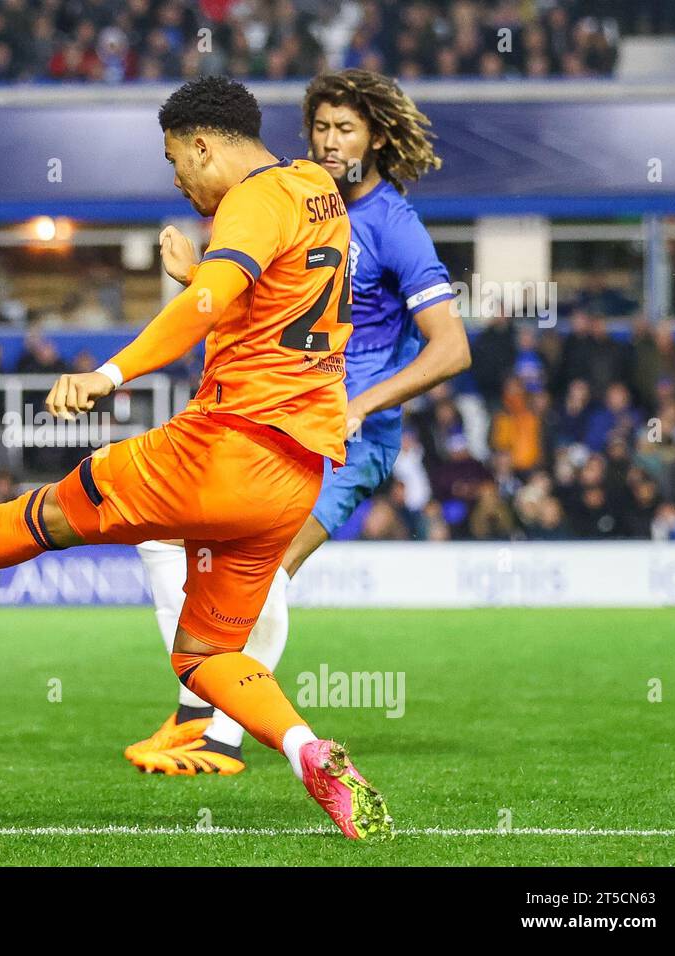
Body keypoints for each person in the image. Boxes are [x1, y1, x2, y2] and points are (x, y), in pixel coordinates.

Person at [0, 77, 388, 840]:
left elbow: (208, 308)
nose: (177, 179)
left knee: (48, 515)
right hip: (293, 478)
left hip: (221, 448)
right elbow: (275, 303)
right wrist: (199, 272)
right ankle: (306, 750)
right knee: (203, 656)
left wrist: (109, 373)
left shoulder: (253, 201)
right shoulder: (317, 189)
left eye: (175, 161)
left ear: (204, 143)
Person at [128, 68, 470, 776]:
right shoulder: (298, 200)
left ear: (375, 137)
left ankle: (218, 737)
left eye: (346, 129)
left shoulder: (393, 225)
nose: (330, 141)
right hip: (287, 419)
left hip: (350, 434)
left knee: (264, 572)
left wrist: (361, 405)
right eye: (319, 127)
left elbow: (452, 348)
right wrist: (198, 280)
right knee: (165, 539)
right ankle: (201, 714)